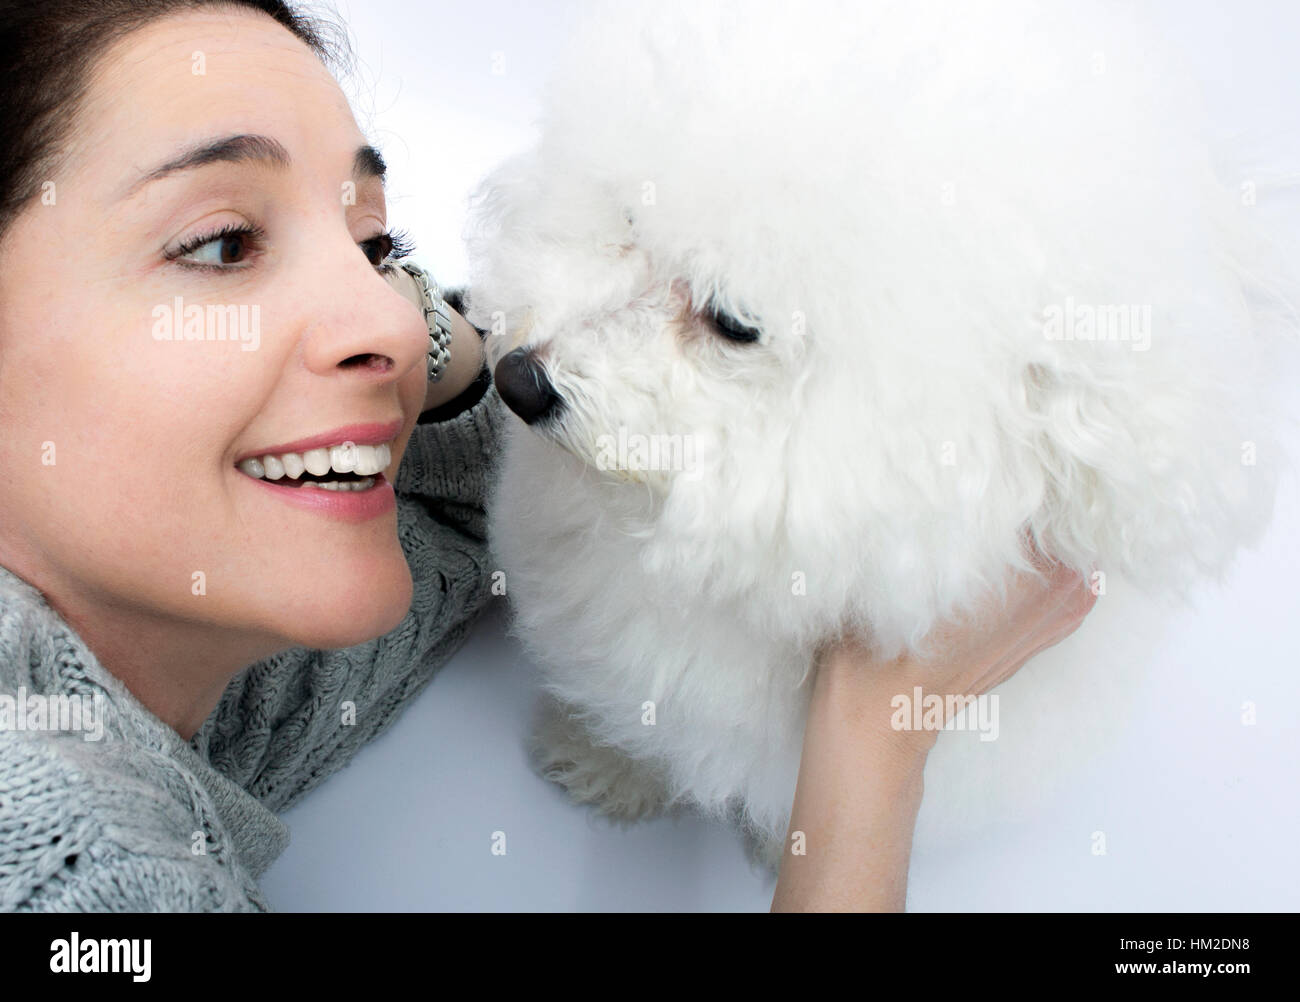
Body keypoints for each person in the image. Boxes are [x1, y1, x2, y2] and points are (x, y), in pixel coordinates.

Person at [0, 0, 1095, 912]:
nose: (388, 321)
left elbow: (473, 442)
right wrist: (869, 754)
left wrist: (499, 367)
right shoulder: (67, 864)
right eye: (221, 244)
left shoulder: (215, 632)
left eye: (379, 245)